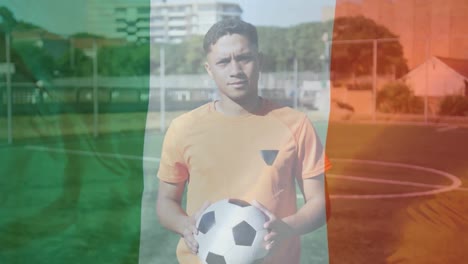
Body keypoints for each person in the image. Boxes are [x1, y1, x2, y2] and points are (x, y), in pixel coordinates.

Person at [156, 18, 331, 264]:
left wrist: (287, 228)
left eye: (244, 58)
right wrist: (184, 224)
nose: (235, 70)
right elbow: (166, 201)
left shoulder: (296, 125)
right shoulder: (183, 128)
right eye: (223, 61)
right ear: (209, 69)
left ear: (259, 61)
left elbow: (319, 203)